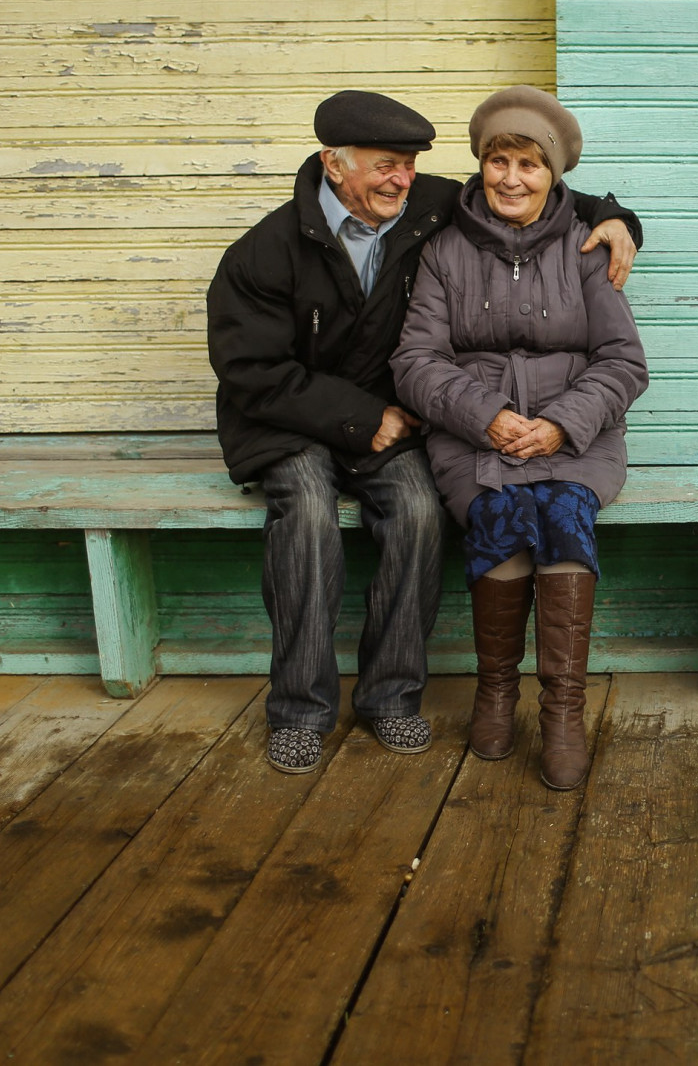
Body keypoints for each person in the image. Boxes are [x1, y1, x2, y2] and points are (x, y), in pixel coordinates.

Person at [207, 90, 643, 774]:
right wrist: (367, 417)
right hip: (293, 421)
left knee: (417, 512)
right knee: (308, 517)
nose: (401, 179)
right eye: (386, 165)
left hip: (394, 422)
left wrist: (616, 218)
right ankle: (299, 708)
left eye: (409, 165)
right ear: (334, 164)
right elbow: (249, 371)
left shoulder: (424, 207)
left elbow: (545, 192)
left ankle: (391, 697)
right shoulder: (266, 252)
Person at [392, 86, 648, 790]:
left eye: (529, 165)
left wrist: (563, 421)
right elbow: (415, 362)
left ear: (554, 175)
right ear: (480, 164)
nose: (510, 177)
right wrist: (487, 416)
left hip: (577, 435)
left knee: (563, 513)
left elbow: (624, 362)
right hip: (474, 435)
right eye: (498, 160)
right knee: (500, 514)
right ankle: (496, 690)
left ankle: (563, 709)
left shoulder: (589, 247)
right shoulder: (444, 251)